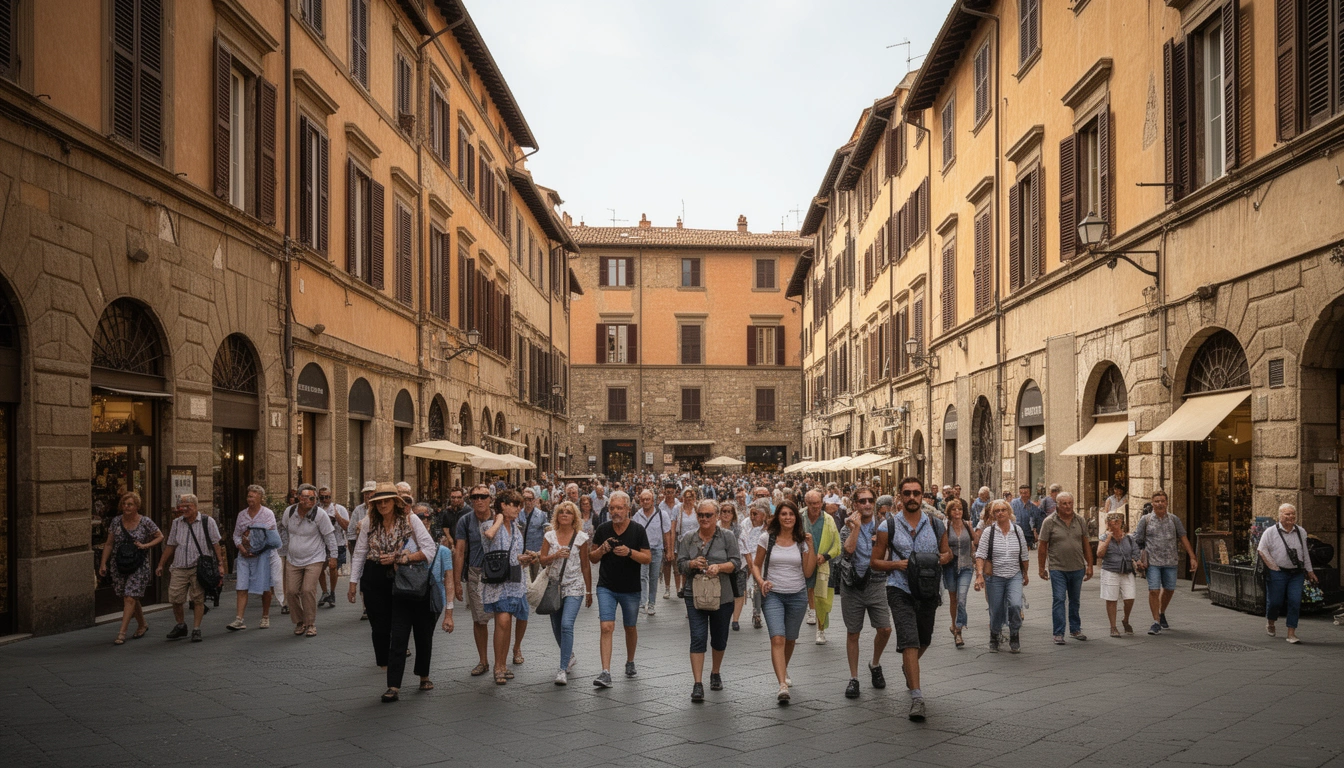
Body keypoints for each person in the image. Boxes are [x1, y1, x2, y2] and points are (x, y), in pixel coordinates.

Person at [870, 477, 951, 722]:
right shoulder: (887, 527)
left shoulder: (937, 525)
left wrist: (936, 560)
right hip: (899, 588)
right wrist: (896, 564)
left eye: (917, 493)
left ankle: (909, 665)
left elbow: (948, 553)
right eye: (907, 493)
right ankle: (917, 697)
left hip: (927, 590)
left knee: (924, 638)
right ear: (900, 497)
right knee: (910, 640)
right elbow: (875, 561)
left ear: (923, 496)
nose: (912, 497)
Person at [347, 483, 438, 702]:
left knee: (409, 631)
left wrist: (403, 558)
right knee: (380, 626)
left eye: (387, 500)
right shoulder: (369, 522)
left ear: (395, 502)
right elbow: (359, 552)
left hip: (404, 577)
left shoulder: (409, 519)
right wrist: (352, 582)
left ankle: (396, 685)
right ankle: (387, 665)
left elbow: (430, 550)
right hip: (374, 576)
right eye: (378, 501)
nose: (382, 505)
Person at [677, 499, 742, 702]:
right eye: (701, 515)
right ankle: (698, 683)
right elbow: (679, 564)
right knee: (697, 637)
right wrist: (692, 563)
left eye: (708, 515)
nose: (704, 519)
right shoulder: (688, 538)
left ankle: (715, 672)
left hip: (722, 595)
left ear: (717, 516)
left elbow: (736, 562)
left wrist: (719, 567)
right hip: (694, 594)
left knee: (719, 638)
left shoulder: (727, 536)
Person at [753, 499, 816, 704]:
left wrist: (811, 546)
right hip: (773, 594)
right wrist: (761, 581)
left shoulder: (801, 541)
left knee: (790, 639)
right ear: (778, 517)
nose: (788, 517)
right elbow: (756, 565)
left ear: (796, 518)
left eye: (791, 514)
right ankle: (782, 685)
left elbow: (808, 572)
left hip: (797, 595)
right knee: (777, 638)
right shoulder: (767, 538)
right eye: (784, 514)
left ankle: (783, 669)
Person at [589, 491, 652, 688]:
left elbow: (647, 558)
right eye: (613, 508)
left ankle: (630, 660)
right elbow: (592, 557)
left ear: (627, 509)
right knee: (606, 627)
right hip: (606, 586)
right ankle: (605, 672)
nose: (616, 512)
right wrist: (602, 550)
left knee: (630, 627)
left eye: (620, 508)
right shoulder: (602, 529)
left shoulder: (638, 530)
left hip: (630, 588)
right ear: (608, 510)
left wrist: (629, 552)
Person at [839, 487, 892, 699]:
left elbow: (889, 554)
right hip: (852, 585)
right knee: (853, 632)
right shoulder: (847, 526)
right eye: (862, 501)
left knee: (885, 629)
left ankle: (875, 663)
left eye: (870, 500)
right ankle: (854, 678)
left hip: (877, 583)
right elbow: (848, 550)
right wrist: (856, 529)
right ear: (855, 505)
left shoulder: (884, 526)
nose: (867, 504)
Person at [480, 489, 534, 685]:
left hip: (514, 581)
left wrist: (525, 558)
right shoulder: (489, 524)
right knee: (502, 622)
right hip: (497, 582)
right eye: (516, 505)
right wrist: (499, 519)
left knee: (507, 623)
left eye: (520, 505)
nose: (519, 508)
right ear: (503, 505)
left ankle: (503, 665)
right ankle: (497, 666)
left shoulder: (516, 527)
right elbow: (488, 536)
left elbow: (514, 556)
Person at [155, 494, 225, 643]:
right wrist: (161, 564)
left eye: (188, 506)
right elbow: (171, 545)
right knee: (175, 598)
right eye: (182, 506)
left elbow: (216, 544)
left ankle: (196, 629)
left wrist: (220, 564)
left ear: (195, 507)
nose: (184, 509)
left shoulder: (207, 521)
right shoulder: (177, 523)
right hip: (179, 566)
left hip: (198, 567)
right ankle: (181, 625)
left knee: (197, 599)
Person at [97, 491, 164, 645]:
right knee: (128, 596)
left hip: (138, 564)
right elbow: (109, 543)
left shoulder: (145, 522)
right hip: (119, 564)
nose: (126, 507)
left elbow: (160, 536)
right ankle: (142, 624)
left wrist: (145, 545)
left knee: (130, 597)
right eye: (124, 504)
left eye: (130, 504)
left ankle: (122, 632)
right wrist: (103, 563)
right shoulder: (115, 522)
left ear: (136, 506)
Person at [538, 500, 591, 685]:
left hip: (574, 585)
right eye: (562, 512)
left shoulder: (581, 538)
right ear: (557, 516)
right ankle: (569, 656)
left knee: (567, 624)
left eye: (568, 512)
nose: (565, 515)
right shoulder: (549, 536)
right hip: (554, 586)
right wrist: (555, 555)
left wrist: (589, 591)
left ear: (574, 517)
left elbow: (585, 565)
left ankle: (562, 669)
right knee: (557, 626)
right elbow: (542, 560)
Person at [1134, 489, 1199, 635]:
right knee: (1154, 590)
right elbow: (1137, 541)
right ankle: (1156, 622)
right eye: (1157, 501)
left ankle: (1162, 612)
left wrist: (1192, 557)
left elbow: (1183, 537)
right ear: (1152, 503)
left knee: (1169, 589)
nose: (1160, 504)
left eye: (1162, 501)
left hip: (1171, 561)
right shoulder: (1146, 520)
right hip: (1153, 562)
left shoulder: (1174, 519)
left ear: (1167, 503)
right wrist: (1138, 559)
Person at [279, 484, 339, 637]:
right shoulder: (290, 511)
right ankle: (300, 622)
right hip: (293, 558)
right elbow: (283, 530)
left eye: (315, 498)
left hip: (315, 557)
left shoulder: (320, 515)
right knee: (291, 592)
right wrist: (283, 551)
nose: (313, 501)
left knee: (307, 590)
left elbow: (329, 537)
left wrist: (333, 557)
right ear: (300, 498)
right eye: (310, 498)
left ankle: (311, 623)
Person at [1037, 491, 1094, 644]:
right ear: (1058, 505)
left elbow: (1086, 543)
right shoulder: (1049, 522)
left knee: (1075, 600)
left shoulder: (1080, 520)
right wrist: (1041, 567)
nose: (1068, 506)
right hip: (1057, 568)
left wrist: (1089, 565)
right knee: (1059, 599)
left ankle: (1075, 629)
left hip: (1077, 567)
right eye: (1064, 504)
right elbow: (1042, 546)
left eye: (1070, 503)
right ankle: (1058, 632)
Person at [974, 499, 1030, 654]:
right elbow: (980, 555)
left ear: (1009, 512)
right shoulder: (989, 532)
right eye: (996, 511)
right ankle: (995, 634)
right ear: (993, 515)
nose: (1000, 513)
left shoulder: (1017, 530)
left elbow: (1024, 555)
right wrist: (979, 575)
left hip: (1014, 575)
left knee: (1016, 604)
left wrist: (1025, 573)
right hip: (995, 576)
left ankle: (1014, 634)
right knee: (996, 608)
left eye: (1003, 510)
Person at [454, 484, 499, 677]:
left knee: (502, 619)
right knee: (479, 620)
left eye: (483, 496)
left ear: (491, 499)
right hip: (476, 573)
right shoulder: (465, 521)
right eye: (475, 497)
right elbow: (460, 552)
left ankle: (501, 663)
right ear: (470, 500)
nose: (479, 500)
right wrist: (457, 582)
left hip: (499, 574)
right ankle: (483, 661)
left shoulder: (499, 517)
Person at [1259, 503, 1318, 644]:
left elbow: (1305, 553)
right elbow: (1262, 549)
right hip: (1278, 572)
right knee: (1275, 601)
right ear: (1279, 516)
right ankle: (1271, 622)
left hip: (1296, 573)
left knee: (1295, 601)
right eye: (1287, 514)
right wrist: (1273, 566)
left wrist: (1310, 571)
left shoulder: (1301, 531)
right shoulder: (1270, 532)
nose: (1291, 517)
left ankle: (1291, 633)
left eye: (1293, 514)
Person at [229, 485, 277, 630]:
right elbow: (236, 534)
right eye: (249, 496)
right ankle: (239, 619)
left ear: (260, 498)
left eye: (253, 497)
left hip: (261, 556)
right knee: (241, 586)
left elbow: (271, 537)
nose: (250, 499)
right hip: (244, 555)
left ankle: (265, 616)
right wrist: (242, 548)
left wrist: (257, 549)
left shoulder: (267, 514)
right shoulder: (242, 515)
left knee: (265, 587)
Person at [512, 488, 548, 666]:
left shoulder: (541, 515)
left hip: (534, 553)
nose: (527, 501)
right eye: (524, 499)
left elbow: (546, 530)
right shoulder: (516, 516)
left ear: (535, 500)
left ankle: (531, 601)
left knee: (533, 582)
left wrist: (541, 552)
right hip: (518, 558)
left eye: (529, 498)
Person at [802, 489, 841, 644]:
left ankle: (821, 630)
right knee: (808, 589)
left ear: (822, 503)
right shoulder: (800, 517)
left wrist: (825, 556)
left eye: (817, 503)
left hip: (823, 563)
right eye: (811, 504)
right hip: (803, 562)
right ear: (806, 503)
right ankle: (810, 611)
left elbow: (837, 545)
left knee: (822, 598)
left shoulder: (828, 520)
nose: (815, 506)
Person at [1096, 510, 1140, 637]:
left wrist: (1138, 561)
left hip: (1126, 571)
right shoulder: (1104, 537)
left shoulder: (1129, 538)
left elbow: (1135, 553)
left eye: (1116, 521)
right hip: (1110, 570)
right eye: (1110, 521)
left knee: (1130, 597)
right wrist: (1109, 537)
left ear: (1121, 522)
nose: (1113, 523)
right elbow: (1099, 554)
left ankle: (1125, 619)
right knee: (1111, 598)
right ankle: (1113, 627)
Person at [942, 498, 979, 648]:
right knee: (953, 599)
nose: (957, 512)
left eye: (960, 509)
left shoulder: (967, 524)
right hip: (950, 566)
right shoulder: (946, 525)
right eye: (954, 509)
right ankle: (953, 625)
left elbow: (975, 541)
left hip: (966, 566)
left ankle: (958, 629)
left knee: (961, 597)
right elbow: (941, 545)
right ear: (949, 512)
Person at [632, 489, 673, 616]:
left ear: (653, 500)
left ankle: (652, 604)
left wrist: (669, 550)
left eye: (647, 499)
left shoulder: (662, 514)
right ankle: (642, 602)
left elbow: (667, 533)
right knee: (642, 576)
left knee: (654, 578)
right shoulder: (637, 516)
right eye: (643, 499)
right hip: (642, 550)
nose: (645, 501)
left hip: (656, 549)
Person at [716, 503, 747, 630]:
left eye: (729, 511)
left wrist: (749, 564)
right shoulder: (715, 527)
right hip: (720, 563)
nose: (726, 514)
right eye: (724, 511)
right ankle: (720, 616)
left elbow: (746, 546)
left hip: (739, 563)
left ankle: (735, 620)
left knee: (739, 591)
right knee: (720, 591)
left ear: (733, 514)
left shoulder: (739, 529)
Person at [316, 486, 348, 608]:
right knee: (319, 569)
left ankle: (333, 592)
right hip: (321, 544)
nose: (325, 500)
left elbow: (347, 527)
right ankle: (325, 592)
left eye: (328, 497)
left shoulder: (339, 508)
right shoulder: (317, 509)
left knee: (333, 567)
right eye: (322, 497)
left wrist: (337, 516)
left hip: (338, 542)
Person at [739, 501, 769, 629]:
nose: (752, 517)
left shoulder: (770, 526)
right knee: (752, 584)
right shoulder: (745, 523)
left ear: (764, 515)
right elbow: (743, 541)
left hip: (765, 557)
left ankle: (759, 612)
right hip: (748, 556)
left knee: (760, 584)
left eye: (755, 514)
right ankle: (754, 613)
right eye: (751, 513)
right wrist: (749, 561)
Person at [670, 485, 696, 598]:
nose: (688, 499)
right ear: (682, 497)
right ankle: (685, 589)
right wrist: (670, 548)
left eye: (690, 497)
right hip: (682, 542)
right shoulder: (677, 508)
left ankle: (690, 589)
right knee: (684, 567)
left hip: (696, 542)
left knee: (694, 567)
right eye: (686, 496)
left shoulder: (698, 507)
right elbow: (672, 528)